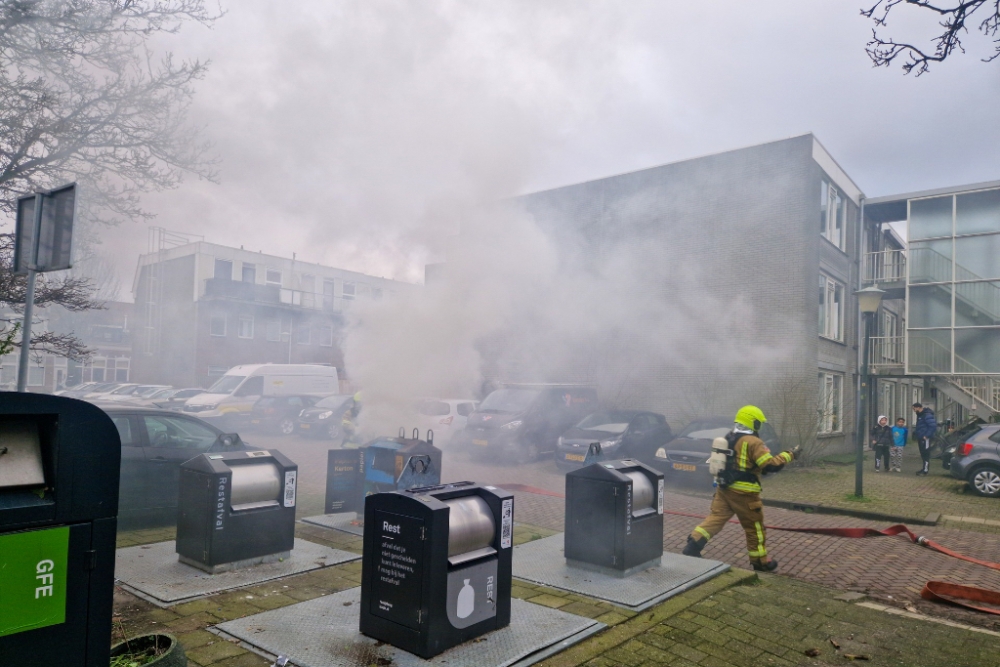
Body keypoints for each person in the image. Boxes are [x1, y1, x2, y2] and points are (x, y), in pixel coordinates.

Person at [682, 405, 799, 572]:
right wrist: (789, 455)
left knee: (716, 518)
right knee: (755, 528)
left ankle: (693, 545)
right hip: (745, 494)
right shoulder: (754, 442)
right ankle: (760, 562)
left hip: (724, 489)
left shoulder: (728, 437)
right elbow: (769, 466)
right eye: (758, 423)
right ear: (753, 423)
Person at [912, 402, 937, 476]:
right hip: (921, 438)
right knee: (923, 453)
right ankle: (924, 468)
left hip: (925, 439)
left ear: (918, 407)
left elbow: (932, 426)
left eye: (914, 408)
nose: (914, 410)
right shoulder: (920, 415)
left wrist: (926, 435)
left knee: (925, 454)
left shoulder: (926, 415)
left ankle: (925, 470)